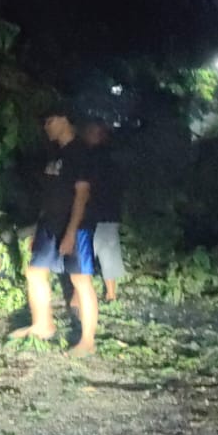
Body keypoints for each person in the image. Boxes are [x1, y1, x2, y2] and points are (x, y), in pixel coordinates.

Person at [9, 109, 101, 356]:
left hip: (76, 226)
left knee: (80, 280)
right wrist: (40, 227)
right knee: (35, 272)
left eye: (50, 121)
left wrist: (71, 232)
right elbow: (50, 194)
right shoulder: (55, 154)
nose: (46, 126)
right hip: (49, 224)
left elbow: (82, 195)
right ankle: (43, 325)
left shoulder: (80, 153)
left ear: (65, 120)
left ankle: (88, 341)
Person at [81, 119, 125, 303]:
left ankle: (94, 292)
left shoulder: (93, 157)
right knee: (108, 251)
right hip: (109, 211)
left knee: (95, 251)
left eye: (90, 132)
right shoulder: (111, 157)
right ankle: (110, 293)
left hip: (98, 211)